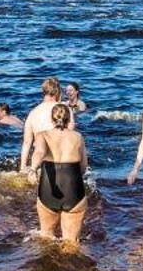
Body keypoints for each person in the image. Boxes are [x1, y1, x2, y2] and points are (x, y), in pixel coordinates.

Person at [29, 103, 91, 247]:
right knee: (71, 243)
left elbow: (39, 153)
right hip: (73, 188)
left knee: (45, 237)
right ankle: (73, 268)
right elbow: (83, 167)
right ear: (69, 119)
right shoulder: (78, 137)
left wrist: (32, 169)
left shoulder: (42, 135)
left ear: (51, 119)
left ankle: (46, 268)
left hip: (49, 189)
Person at [18, 77, 64, 172]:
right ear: (57, 92)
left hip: (38, 160)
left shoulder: (33, 113)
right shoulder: (63, 110)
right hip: (58, 160)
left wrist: (22, 167)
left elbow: (26, 143)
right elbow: (70, 136)